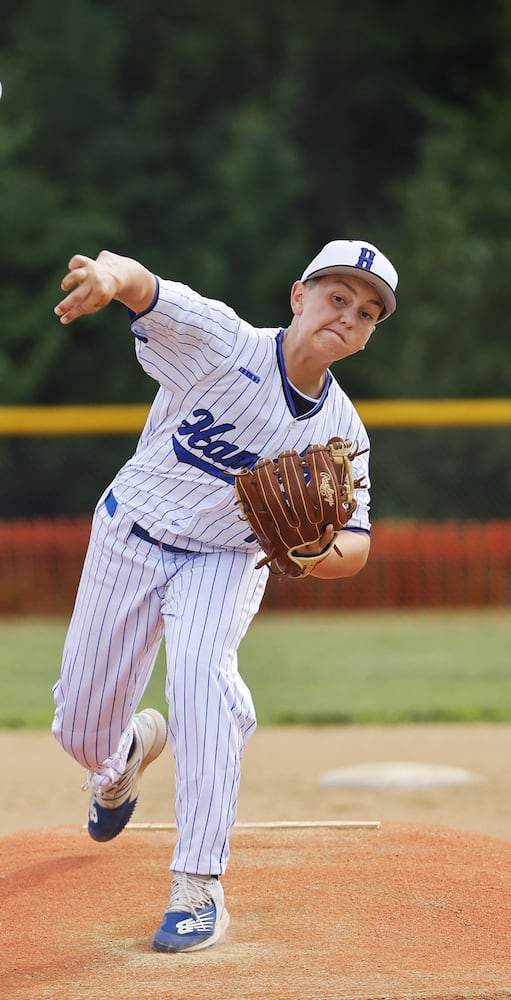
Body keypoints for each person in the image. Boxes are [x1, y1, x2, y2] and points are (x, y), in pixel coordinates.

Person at [51, 239, 398, 953]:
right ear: (298, 296)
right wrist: (104, 278)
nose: (348, 316)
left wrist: (312, 552)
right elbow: (142, 285)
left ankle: (198, 885)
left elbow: (356, 546)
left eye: (365, 313)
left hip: (226, 560)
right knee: (80, 734)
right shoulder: (222, 342)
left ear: (366, 337)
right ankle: (121, 760)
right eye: (337, 297)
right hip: (131, 534)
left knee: (200, 690)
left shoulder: (342, 432)